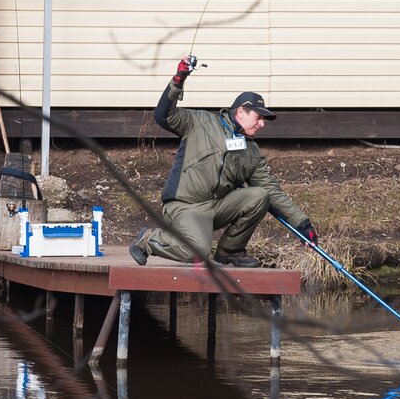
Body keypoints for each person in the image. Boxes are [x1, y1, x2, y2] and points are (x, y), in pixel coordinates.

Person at [129, 56, 318, 268]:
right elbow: (163, 116)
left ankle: (230, 251)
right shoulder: (199, 122)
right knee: (198, 252)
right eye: (259, 117)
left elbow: (273, 192)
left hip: (217, 207)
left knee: (260, 195)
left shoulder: (252, 152)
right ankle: (149, 239)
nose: (262, 124)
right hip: (186, 207)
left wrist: (303, 224)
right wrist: (178, 79)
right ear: (241, 112)